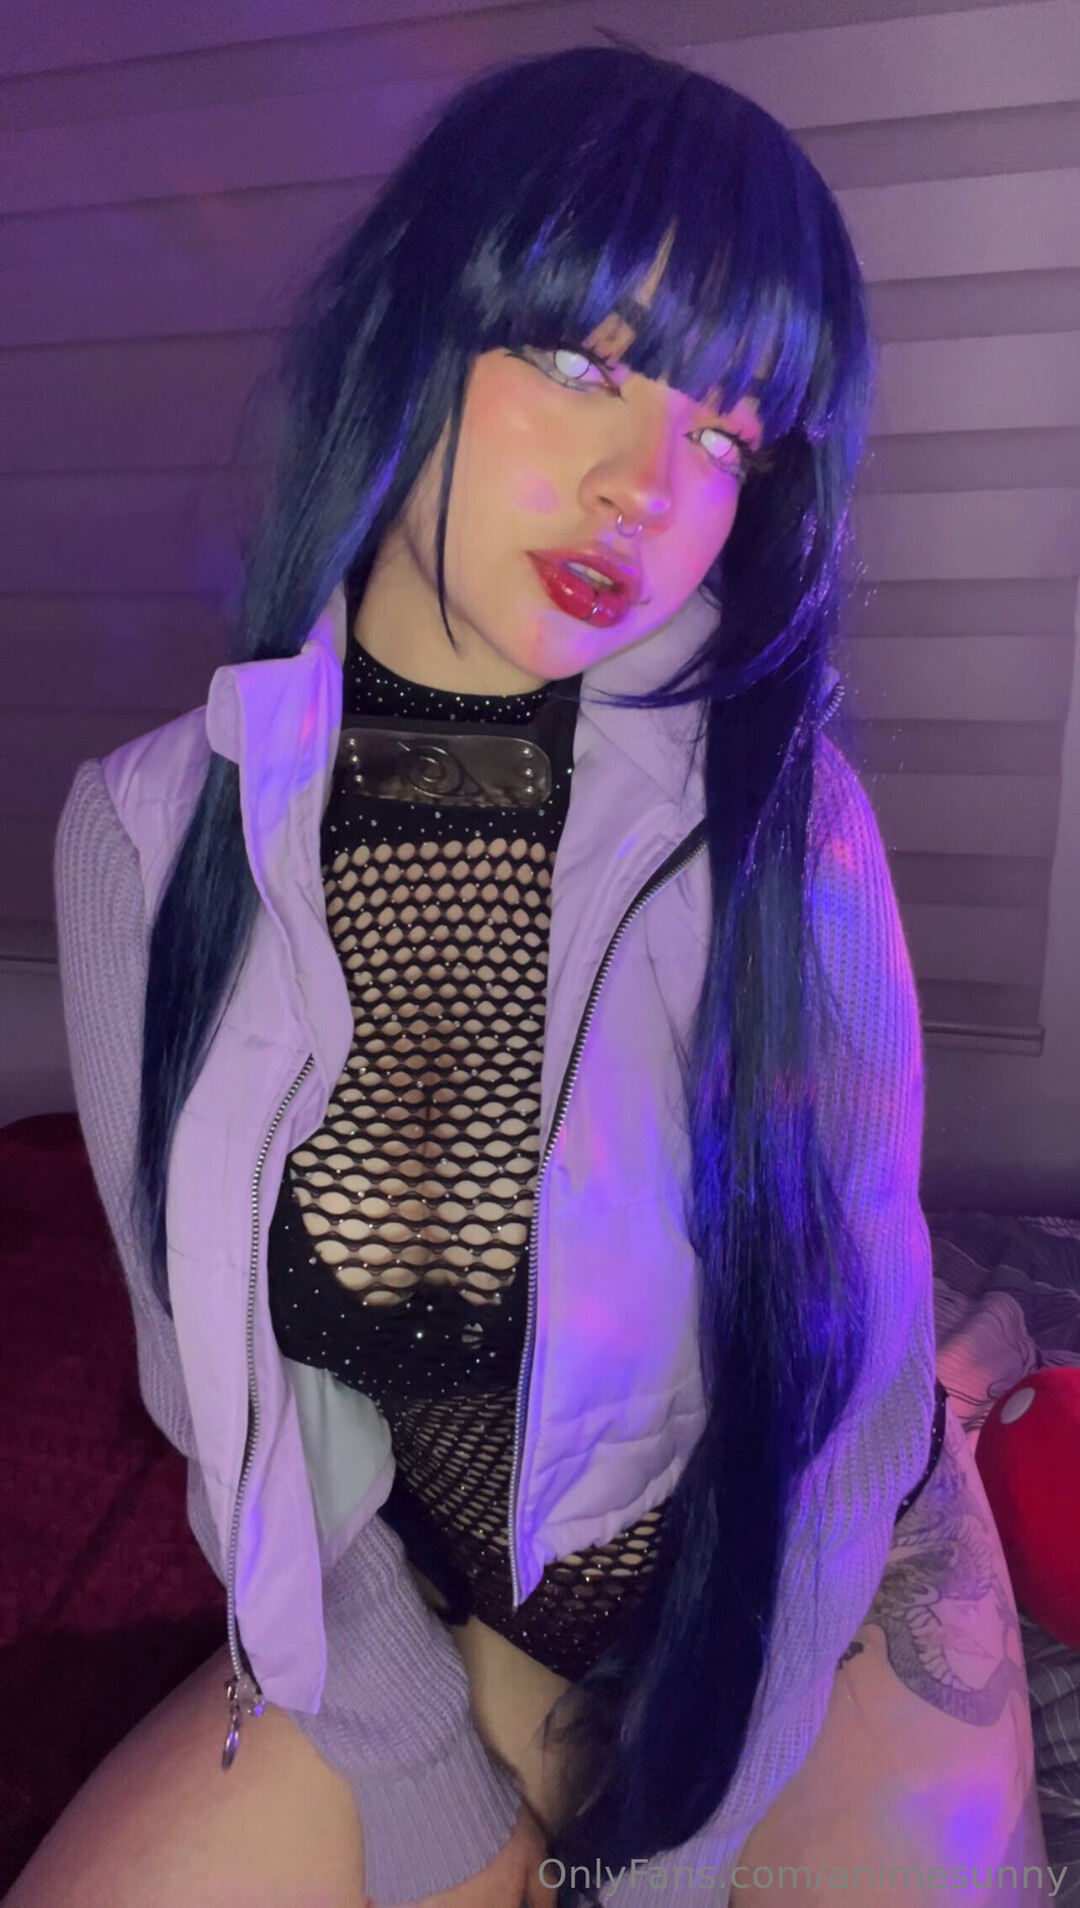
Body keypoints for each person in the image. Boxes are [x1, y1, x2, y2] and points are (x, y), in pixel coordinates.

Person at [18, 40, 1045, 1908]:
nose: (647, 486)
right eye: (585, 361)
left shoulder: (781, 821)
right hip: (462, 1592)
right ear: (417, 327)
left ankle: (979, 1424)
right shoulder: (154, 840)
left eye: (726, 437)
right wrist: (441, 1802)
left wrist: (654, 1855)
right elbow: (231, 1407)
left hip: (796, 1589)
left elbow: (833, 1403)